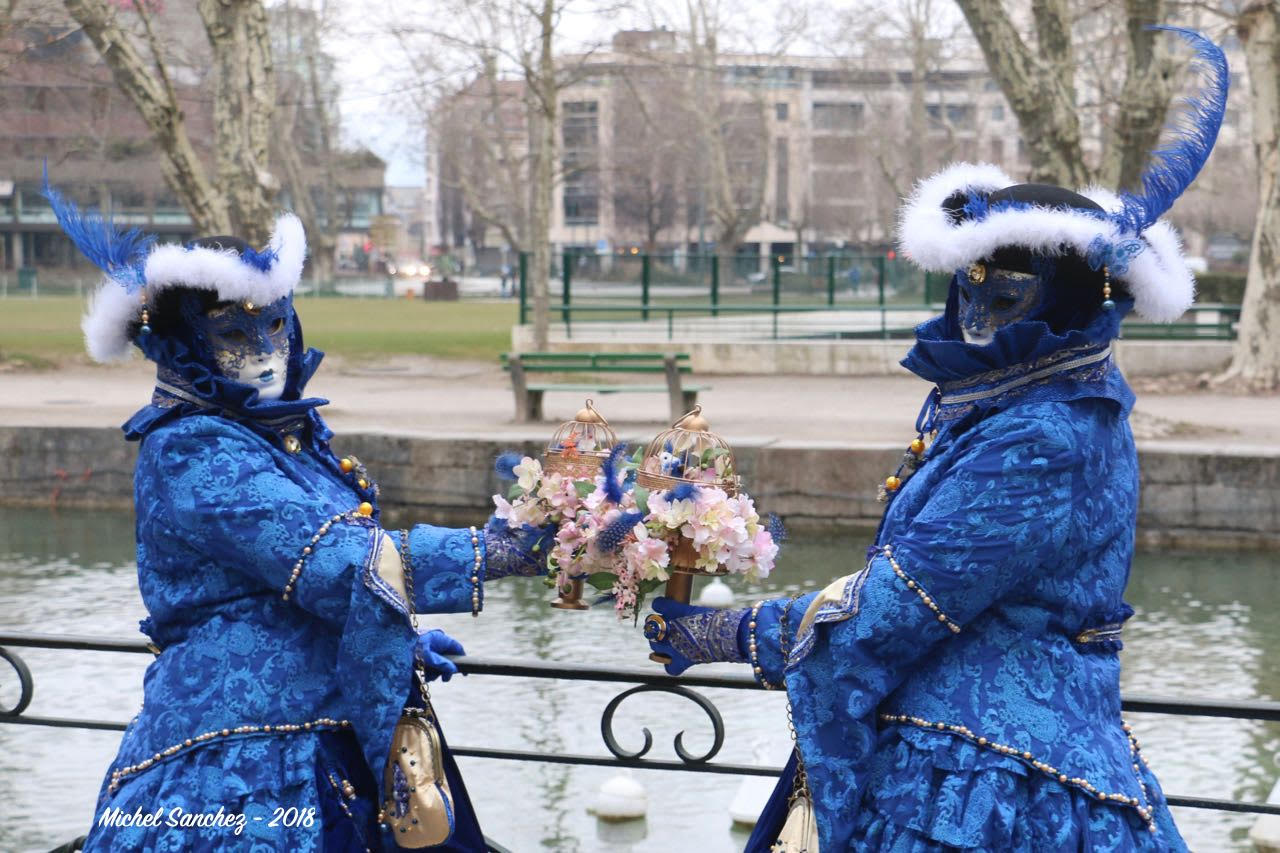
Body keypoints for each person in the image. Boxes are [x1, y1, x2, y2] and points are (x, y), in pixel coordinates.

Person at [644, 28, 1225, 852]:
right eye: (970, 284)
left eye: (1010, 289)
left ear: (1070, 296)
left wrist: (725, 632)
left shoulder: (1043, 437)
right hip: (964, 751)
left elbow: (890, 611)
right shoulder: (1020, 406)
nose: (979, 313)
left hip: (992, 794)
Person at [47, 182, 551, 852]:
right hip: (242, 771)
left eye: (275, 324)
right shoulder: (191, 448)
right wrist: (505, 548)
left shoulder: (285, 433)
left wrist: (393, 639)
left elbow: (310, 581)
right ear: (181, 344)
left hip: (336, 731)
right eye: (231, 333)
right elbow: (338, 565)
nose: (262, 350)